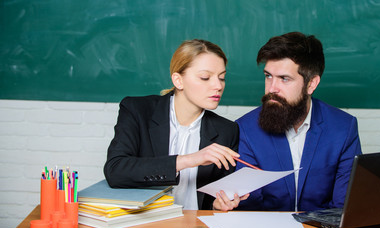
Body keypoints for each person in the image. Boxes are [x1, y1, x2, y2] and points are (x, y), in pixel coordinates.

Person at [104, 39, 248, 211]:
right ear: (178, 80)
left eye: (222, 78)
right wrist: (189, 160)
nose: (218, 86)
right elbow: (116, 171)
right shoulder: (137, 111)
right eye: (205, 77)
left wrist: (218, 204)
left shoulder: (227, 130)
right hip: (147, 227)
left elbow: (209, 200)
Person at [236, 32, 362, 211]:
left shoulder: (343, 128)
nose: (272, 88)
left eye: (284, 79)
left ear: (311, 84)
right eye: (268, 76)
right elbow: (249, 203)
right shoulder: (245, 129)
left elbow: (344, 205)